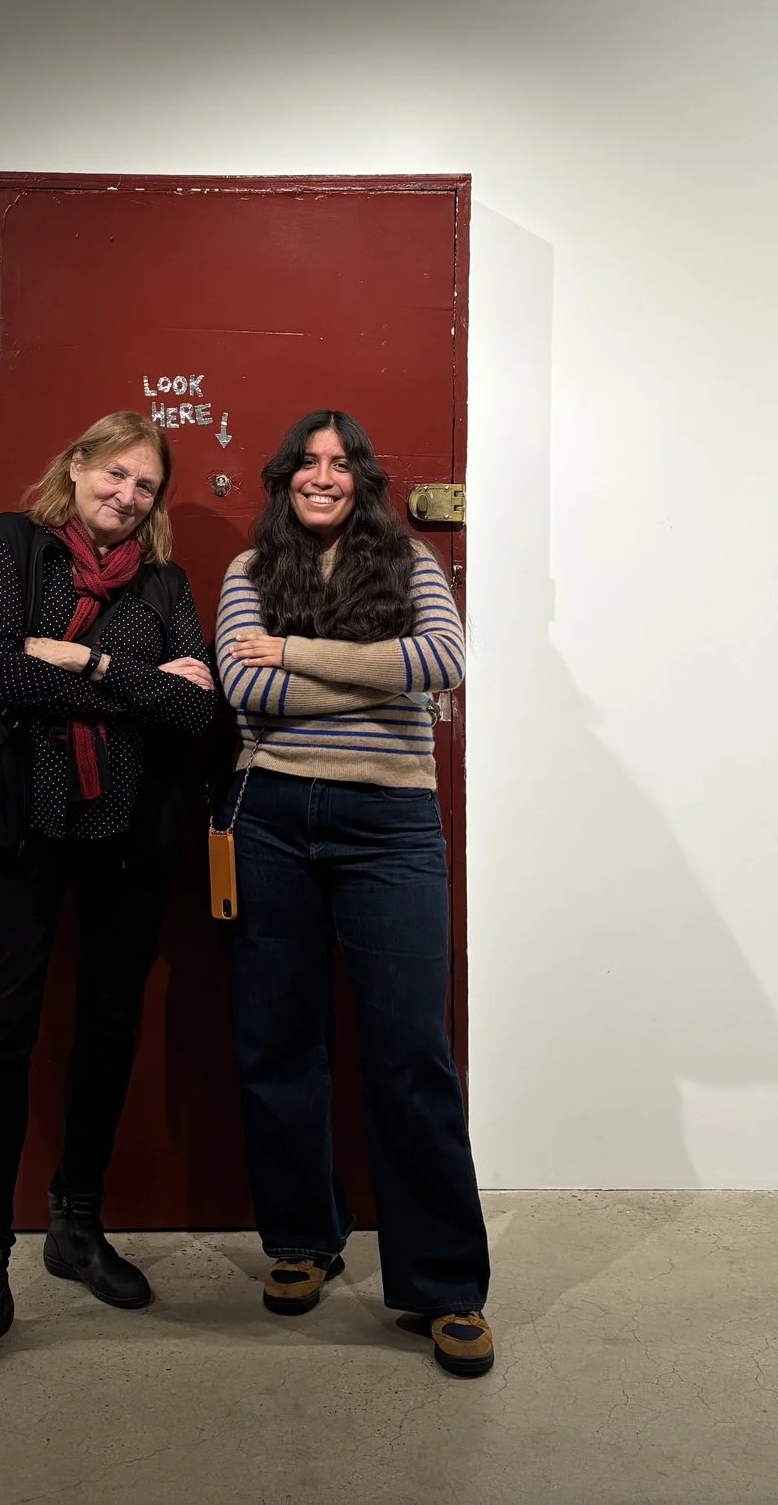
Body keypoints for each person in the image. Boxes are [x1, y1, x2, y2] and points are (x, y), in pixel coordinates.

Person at [0, 412, 219, 1391]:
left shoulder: (166, 585)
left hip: (128, 838)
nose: (126, 496)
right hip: (20, 832)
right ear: (78, 463)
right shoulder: (15, 545)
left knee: (106, 1028)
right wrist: (137, 682)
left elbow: (199, 707)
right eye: (115, 473)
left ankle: (75, 1228)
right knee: (0, 1041)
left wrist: (80, 662)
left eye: (146, 487)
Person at [215, 409, 493, 1377]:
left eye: (339, 463)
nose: (322, 476)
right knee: (277, 1041)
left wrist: (290, 654)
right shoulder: (247, 574)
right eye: (306, 462)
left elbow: (442, 665)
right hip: (270, 820)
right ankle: (301, 1240)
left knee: (410, 1055)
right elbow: (239, 694)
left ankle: (444, 1285)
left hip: (392, 828)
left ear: (363, 478)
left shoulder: (412, 564)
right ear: (283, 475)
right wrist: (381, 681)